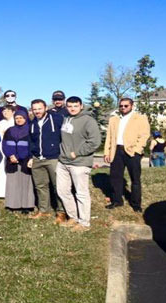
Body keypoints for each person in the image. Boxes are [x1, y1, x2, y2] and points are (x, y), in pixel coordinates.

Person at [56, 96, 101, 232]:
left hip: (79, 163)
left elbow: (95, 141)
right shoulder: (66, 119)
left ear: (81, 106)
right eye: (70, 106)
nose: (72, 108)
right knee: (63, 191)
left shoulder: (88, 120)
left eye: (75, 106)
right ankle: (73, 218)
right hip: (63, 161)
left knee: (81, 193)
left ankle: (84, 223)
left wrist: (78, 152)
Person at [103, 98, 150, 212]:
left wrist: (137, 149)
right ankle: (117, 200)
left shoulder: (140, 118)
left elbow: (145, 135)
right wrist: (107, 152)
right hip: (116, 151)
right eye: (121, 106)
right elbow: (109, 136)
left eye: (126, 106)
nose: (123, 108)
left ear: (132, 106)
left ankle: (136, 204)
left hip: (132, 151)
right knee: (115, 177)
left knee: (135, 178)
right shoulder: (114, 119)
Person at [27, 99, 66, 223]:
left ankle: (61, 212)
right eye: (35, 109)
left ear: (45, 108)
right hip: (37, 159)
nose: (37, 111)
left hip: (53, 158)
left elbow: (64, 136)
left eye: (39, 108)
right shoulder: (33, 123)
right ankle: (44, 210)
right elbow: (30, 141)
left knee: (58, 186)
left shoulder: (57, 119)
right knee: (40, 186)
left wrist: (62, 154)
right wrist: (30, 156)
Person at [2, 109, 35, 212]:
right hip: (11, 161)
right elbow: (5, 144)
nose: (19, 120)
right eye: (16, 118)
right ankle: (12, 204)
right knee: (13, 183)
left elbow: (31, 146)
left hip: (25, 160)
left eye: (21, 118)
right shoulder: (10, 130)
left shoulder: (30, 130)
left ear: (25, 118)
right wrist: (10, 155)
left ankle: (26, 206)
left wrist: (19, 156)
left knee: (26, 184)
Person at [0, 105, 15, 198]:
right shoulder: (1, 122)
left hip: (12, 147)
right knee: (0, 169)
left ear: (13, 112)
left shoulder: (15, 121)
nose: (5, 113)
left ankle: (11, 191)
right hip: (1, 147)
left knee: (10, 169)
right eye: (3, 111)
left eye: (7, 111)